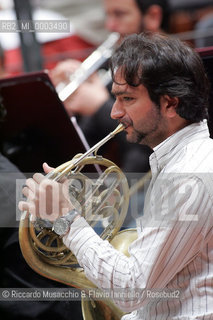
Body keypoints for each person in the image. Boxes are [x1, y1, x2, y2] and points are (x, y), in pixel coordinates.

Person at [19, 32, 213, 319]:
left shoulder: (191, 175)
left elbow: (131, 289)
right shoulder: (179, 159)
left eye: (128, 99)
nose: (114, 112)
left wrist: (66, 218)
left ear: (171, 104)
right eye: (116, 98)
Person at [50, 0, 170, 173]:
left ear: (153, 16)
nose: (110, 25)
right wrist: (61, 113)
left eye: (120, 14)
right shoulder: (114, 67)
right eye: (108, 15)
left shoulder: (175, 68)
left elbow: (150, 147)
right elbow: (81, 153)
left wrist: (100, 107)